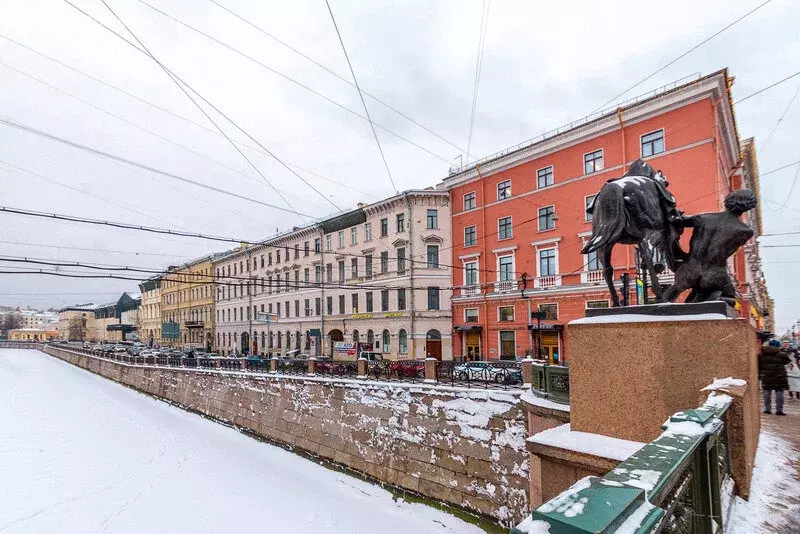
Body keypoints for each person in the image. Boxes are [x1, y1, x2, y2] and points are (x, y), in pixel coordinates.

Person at [758, 339, 791, 415]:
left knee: (767, 392)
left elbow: (759, 365)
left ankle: (767, 409)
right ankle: (779, 410)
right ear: (778, 346)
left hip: (766, 376)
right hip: (779, 376)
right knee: (779, 392)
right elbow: (787, 362)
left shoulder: (761, 354)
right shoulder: (782, 354)